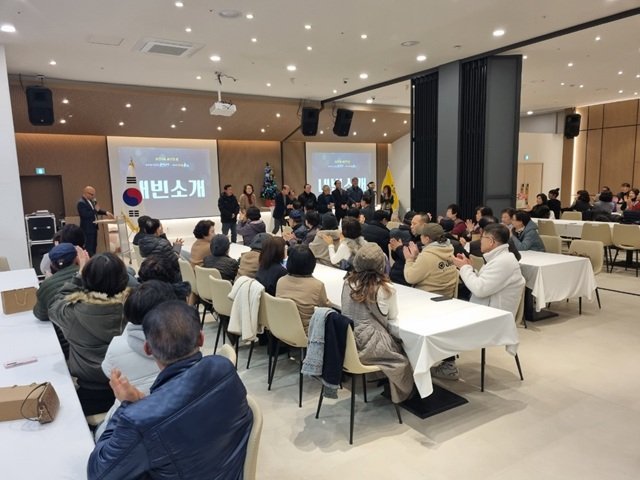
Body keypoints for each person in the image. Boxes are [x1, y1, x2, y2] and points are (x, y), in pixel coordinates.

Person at [87, 301, 252, 480]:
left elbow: (97, 473)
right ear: (201, 339)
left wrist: (126, 405)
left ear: (147, 349)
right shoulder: (224, 367)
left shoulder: (138, 418)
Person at [95, 280, 179, 440]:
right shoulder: (182, 343)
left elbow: (108, 373)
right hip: (171, 424)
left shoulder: (116, 346)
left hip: (127, 424)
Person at [49, 252, 129, 415]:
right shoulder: (135, 309)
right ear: (124, 279)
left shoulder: (71, 314)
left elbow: (55, 304)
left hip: (90, 392)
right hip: (131, 388)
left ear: (86, 281)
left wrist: (79, 275)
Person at [444, 224, 526, 381]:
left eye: (482, 237)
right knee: (446, 308)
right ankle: (446, 363)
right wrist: (468, 268)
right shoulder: (500, 258)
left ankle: (448, 366)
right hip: (488, 309)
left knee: (444, 319)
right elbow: (485, 284)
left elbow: (480, 289)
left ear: (491, 241)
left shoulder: (504, 262)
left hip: (494, 318)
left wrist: (465, 268)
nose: (479, 241)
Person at [340, 243, 414, 404]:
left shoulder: (347, 283)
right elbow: (392, 316)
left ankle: (380, 377)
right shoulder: (386, 289)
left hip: (347, 342)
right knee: (406, 355)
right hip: (371, 344)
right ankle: (403, 394)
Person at [275, 245, 331, 334]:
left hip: (282, 328)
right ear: (312, 263)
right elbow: (325, 308)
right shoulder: (317, 286)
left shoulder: (281, 281)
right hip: (307, 332)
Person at [403, 223, 458, 298]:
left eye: (421, 235)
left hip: (428, 298)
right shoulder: (449, 249)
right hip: (447, 296)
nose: (420, 237)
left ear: (427, 239)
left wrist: (409, 260)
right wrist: (418, 257)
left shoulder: (427, 256)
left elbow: (410, 278)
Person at [77, 185, 114, 256]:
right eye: (91, 194)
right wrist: (95, 210)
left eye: (94, 194)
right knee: (89, 247)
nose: (93, 196)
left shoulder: (91, 201)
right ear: (86, 193)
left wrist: (106, 213)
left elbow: (97, 210)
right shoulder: (81, 203)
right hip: (87, 229)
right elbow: (85, 215)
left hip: (94, 227)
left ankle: (93, 258)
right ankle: (90, 260)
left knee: (94, 245)